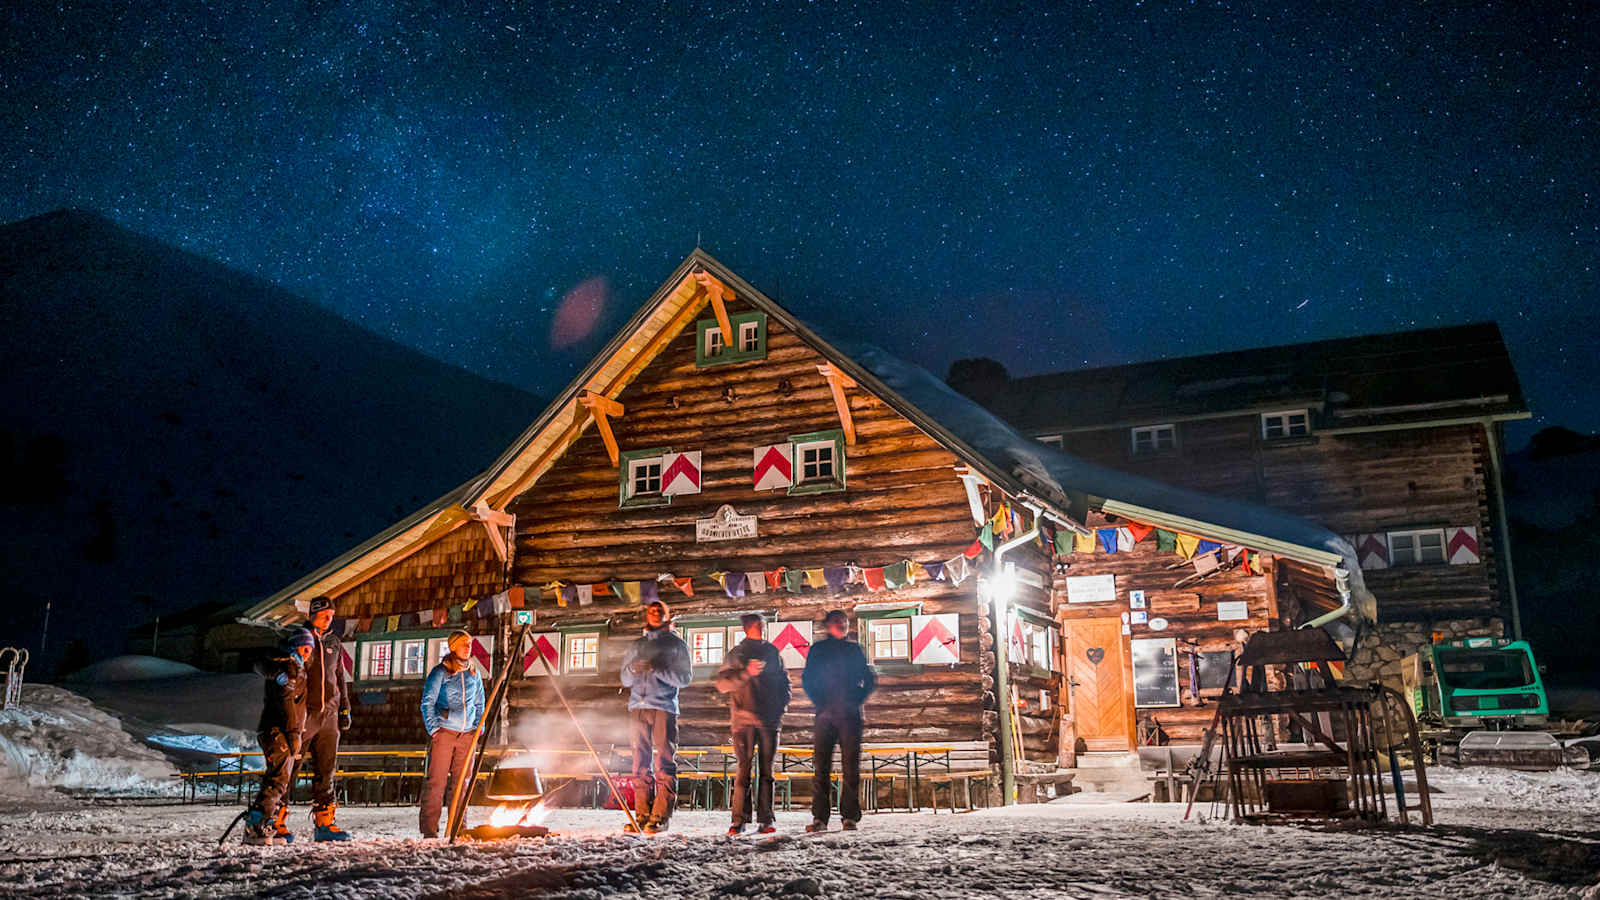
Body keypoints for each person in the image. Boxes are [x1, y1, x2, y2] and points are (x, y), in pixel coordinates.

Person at [618, 599, 692, 834]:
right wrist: (632, 669)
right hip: (637, 707)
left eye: (660, 610)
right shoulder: (637, 645)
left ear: (667, 616)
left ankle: (660, 816)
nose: (655, 613)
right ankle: (642, 815)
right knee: (640, 762)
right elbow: (624, 679)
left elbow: (684, 679)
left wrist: (655, 669)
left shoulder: (676, 645)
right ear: (646, 616)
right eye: (651, 610)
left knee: (664, 761)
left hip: (663, 707)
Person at [801, 609, 877, 832]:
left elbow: (870, 679)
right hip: (825, 715)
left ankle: (849, 817)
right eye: (838, 621)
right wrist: (819, 701)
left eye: (845, 621)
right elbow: (807, 679)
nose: (842, 624)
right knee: (821, 767)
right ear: (828, 625)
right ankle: (820, 818)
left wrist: (856, 700)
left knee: (850, 767)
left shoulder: (854, 650)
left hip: (850, 716)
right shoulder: (818, 650)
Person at [714, 613, 790, 835]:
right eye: (757, 624)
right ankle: (739, 820)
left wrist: (780, 708)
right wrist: (746, 673)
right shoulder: (736, 655)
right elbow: (722, 684)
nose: (760, 627)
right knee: (743, 771)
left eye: (761, 624)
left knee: (767, 772)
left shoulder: (772, 653)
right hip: (743, 722)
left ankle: (766, 820)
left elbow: (785, 682)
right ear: (748, 627)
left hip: (769, 722)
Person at [244, 627, 312, 845]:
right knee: (279, 779)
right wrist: (294, 735)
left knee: (278, 777)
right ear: (294, 646)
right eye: (304, 647)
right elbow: (288, 705)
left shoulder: (296, 668)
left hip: (281, 731)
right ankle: (256, 825)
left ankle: (265, 822)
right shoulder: (289, 668)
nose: (307, 652)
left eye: (310, 648)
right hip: (278, 731)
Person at [418, 629, 486, 839]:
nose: (468, 647)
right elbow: (427, 702)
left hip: (467, 736)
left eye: (470, 643)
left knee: (462, 783)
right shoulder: (441, 672)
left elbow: (479, 702)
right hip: (445, 734)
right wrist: (434, 729)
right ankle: (430, 830)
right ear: (453, 646)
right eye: (464, 643)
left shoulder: (474, 672)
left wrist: (478, 727)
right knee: (436, 782)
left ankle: (458, 827)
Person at [299, 595, 354, 841]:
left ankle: (325, 823)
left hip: (330, 714)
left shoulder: (334, 642)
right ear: (312, 614)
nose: (328, 620)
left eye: (331, 616)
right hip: (305, 713)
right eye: (323, 616)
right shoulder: (301, 638)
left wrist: (344, 708)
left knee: (327, 770)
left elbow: (340, 678)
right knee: (291, 767)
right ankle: (274, 819)